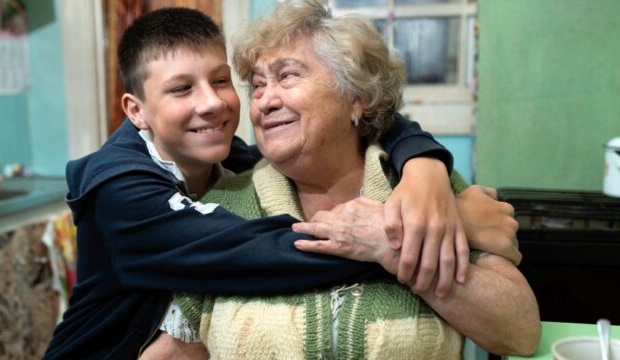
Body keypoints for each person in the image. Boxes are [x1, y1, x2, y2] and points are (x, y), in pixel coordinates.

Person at [42, 7, 480, 360]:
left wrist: (425, 166)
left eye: (220, 80)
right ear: (136, 111)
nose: (212, 103)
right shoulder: (120, 191)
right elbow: (255, 253)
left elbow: (374, 114)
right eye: (181, 89)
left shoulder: (230, 157)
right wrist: (411, 237)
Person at [174, 0, 540, 358]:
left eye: (287, 76)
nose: (264, 101)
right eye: (257, 85)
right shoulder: (222, 204)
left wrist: (390, 246)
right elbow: (177, 346)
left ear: (356, 97)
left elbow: (520, 332)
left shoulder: (427, 189)